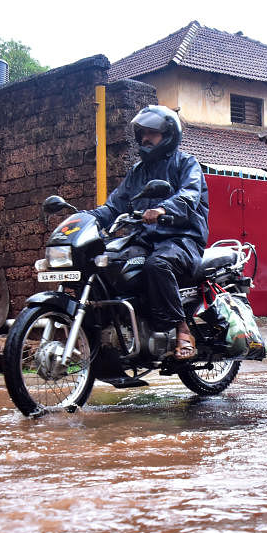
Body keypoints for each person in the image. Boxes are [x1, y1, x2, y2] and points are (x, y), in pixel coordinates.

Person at [87, 105, 209, 360]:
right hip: (146, 239)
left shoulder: (186, 163)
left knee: (157, 265)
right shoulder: (138, 172)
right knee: (112, 262)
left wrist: (163, 208)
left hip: (182, 239)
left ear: (168, 135)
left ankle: (182, 330)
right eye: (142, 133)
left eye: (151, 133)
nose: (145, 138)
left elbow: (189, 196)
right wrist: (86, 219)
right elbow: (114, 205)